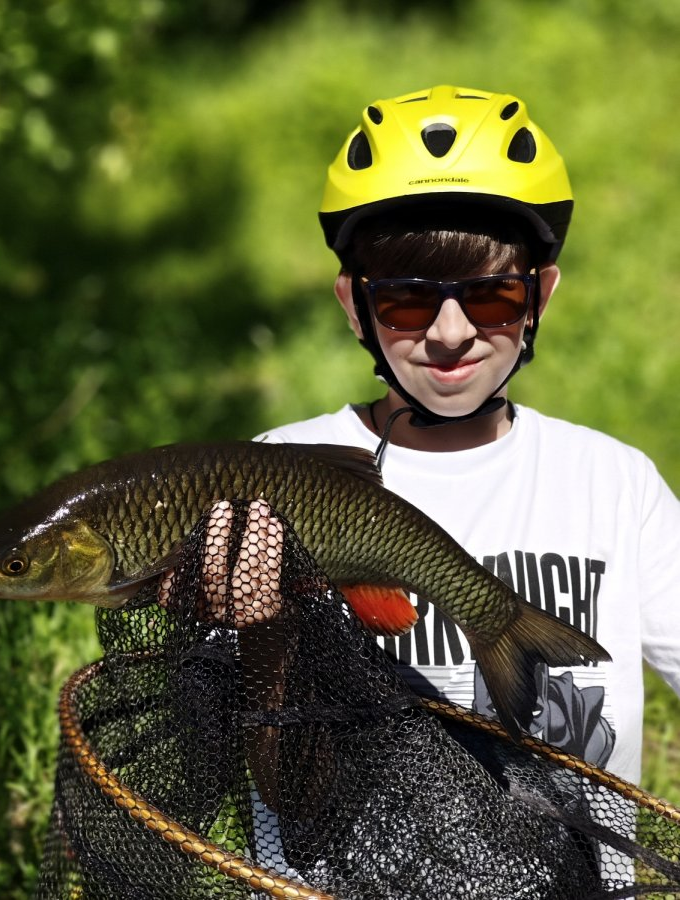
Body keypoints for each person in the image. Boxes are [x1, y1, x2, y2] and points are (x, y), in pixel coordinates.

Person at [253, 83, 680, 787]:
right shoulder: (271, 469)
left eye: (491, 297)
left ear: (538, 297)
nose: (450, 334)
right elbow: (250, 758)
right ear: (354, 308)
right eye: (405, 301)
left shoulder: (616, 485)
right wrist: (258, 629)